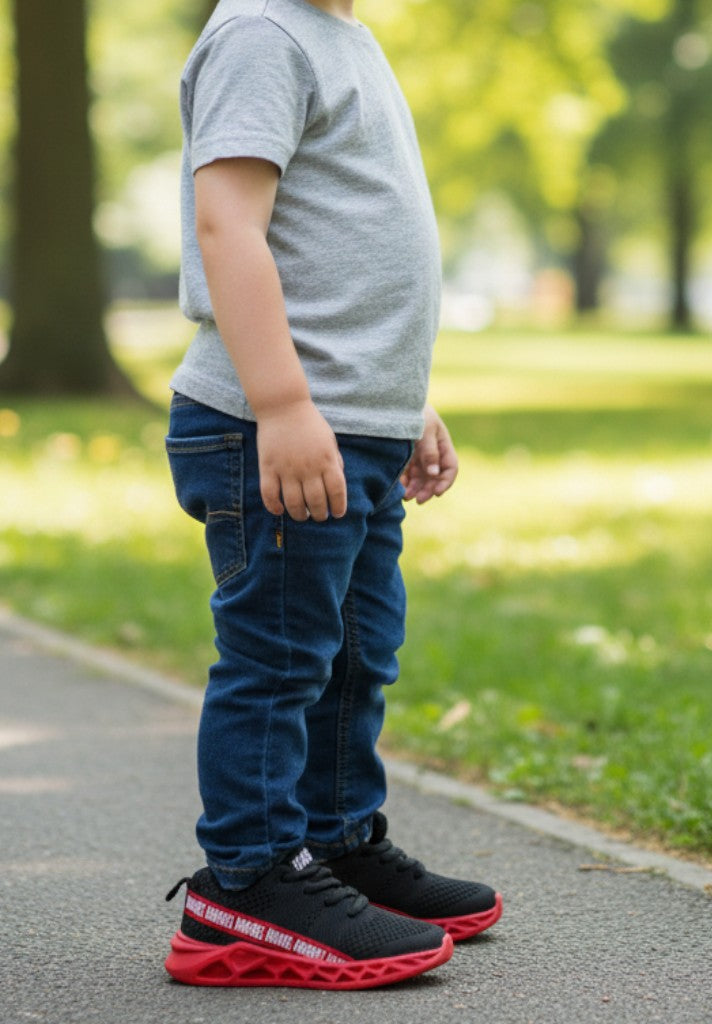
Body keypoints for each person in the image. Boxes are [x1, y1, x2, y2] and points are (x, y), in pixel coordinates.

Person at [162, 0, 501, 990]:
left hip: (350, 422)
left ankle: (333, 842)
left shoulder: (340, 35)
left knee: (356, 652)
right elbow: (229, 224)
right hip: (272, 427)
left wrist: (402, 401)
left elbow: (345, 246)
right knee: (279, 658)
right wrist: (283, 401)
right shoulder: (262, 31)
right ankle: (249, 881)